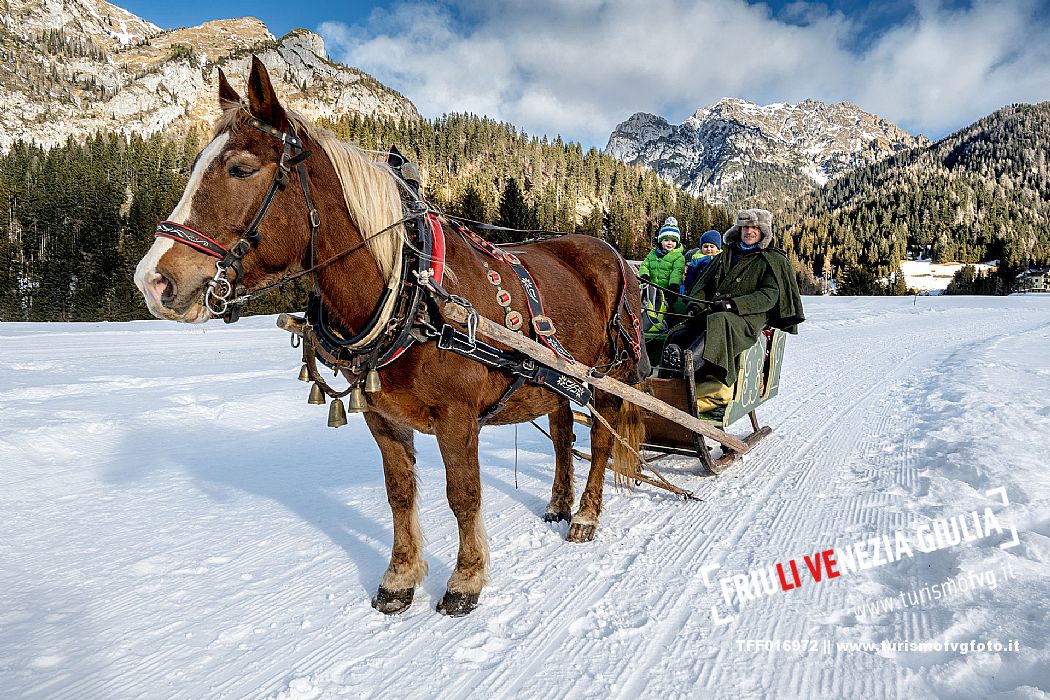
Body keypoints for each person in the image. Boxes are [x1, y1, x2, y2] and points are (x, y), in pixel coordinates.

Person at [661, 209, 805, 394]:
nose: (749, 231)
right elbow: (703, 285)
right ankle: (666, 374)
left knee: (720, 322)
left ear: (763, 231)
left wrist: (733, 305)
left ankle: (685, 370)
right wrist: (696, 305)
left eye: (754, 227)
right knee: (679, 332)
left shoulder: (772, 260)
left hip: (748, 318)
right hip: (715, 310)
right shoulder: (726, 255)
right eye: (744, 227)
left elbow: (768, 296)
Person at [639, 217, 687, 363]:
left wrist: (673, 287)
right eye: (666, 240)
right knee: (649, 307)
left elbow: (676, 272)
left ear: (677, 243)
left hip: (667, 290)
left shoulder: (678, 256)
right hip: (652, 288)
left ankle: (667, 330)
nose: (669, 243)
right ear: (661, 241)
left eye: (672, 241)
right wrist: (645, 276)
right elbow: (645, 265)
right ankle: (647, 326)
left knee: (670, 309)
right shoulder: (653, 254)